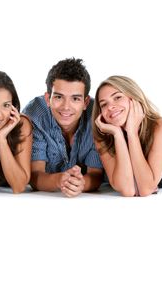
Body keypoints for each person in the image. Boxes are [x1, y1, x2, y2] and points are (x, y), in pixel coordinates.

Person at [22, 58, 104, 197]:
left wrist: (81, 184)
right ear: (48, 99)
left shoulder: (96, 116)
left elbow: (96, 175)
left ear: (85, 102)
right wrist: (59, 180)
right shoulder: (34, 115)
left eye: (75, 98)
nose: (66, 107)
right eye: (59, 97)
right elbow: (34, 175)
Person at [92, 75, 162, 197]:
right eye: (104, 104)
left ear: (134, 98)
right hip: (129, 172)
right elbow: (127, 190)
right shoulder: (104, 133)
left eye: (117, 97)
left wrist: (132, 133)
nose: (110, 107)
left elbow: (145, 190)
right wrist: (118, 135)